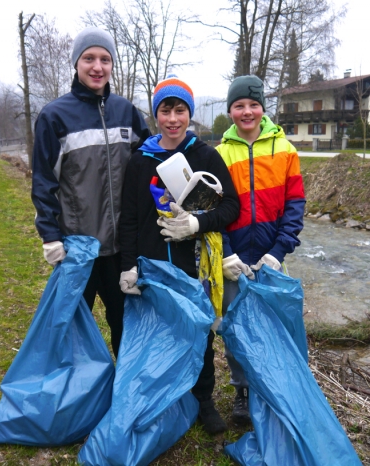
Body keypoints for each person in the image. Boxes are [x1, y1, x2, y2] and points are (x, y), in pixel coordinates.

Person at [118, 75, 240, 434]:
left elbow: (231, 207)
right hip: (153, 265)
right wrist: (128, 266)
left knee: (199, 333)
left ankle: (203, 399)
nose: (173, 119)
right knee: (160, 333)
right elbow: (129, 218)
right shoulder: (140, 161)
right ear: (157, 114)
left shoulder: (205, 155)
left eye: (180, 110)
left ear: (190, 114)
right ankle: (164, 397)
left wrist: (196, 225)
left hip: (194, 266)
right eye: (166, 110)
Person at [31, 27, 150, 359]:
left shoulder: (128, 112)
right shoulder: (54, 116)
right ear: (76, 63)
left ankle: (125, 396)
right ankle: (78, 399)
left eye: (105, 59)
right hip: (77, 249)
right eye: (89, 58)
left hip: (122, 250)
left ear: (112, 65)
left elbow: (150, 170)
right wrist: (50, 237)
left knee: (126, 326)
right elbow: (43, 182)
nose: (97, 66)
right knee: (72, 330)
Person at [216, 74, 306, 425]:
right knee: (236, 326)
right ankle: (241, 389)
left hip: (271, 258)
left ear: (263, 109)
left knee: (271, 327)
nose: (247, 111)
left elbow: (295, 204)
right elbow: (213, 209)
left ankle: (266, 386)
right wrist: (224, 253)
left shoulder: (285, 150)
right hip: (234, 258)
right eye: (239, 105)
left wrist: (279, 251)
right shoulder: (220, 153)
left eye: (253, 105)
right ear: (231, 110)